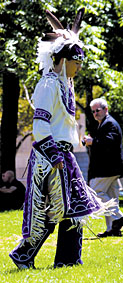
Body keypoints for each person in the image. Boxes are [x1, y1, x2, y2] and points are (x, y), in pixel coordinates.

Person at [9, 9, 115, 270]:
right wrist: (55, 155)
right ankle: (24, 254)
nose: (79, 66)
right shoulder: (47, 84)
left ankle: (68, 260)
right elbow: (40, 125)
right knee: (52, 210)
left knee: (76, 207)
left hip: (64, 155)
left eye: (80, 62)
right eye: (76, 61)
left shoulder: (65, 84)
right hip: (50, 156)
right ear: (62, 57)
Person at [83, 98, 123, 237]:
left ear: (105, 109)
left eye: (97, 110)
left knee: (96, 194)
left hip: (106, 169)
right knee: (112, 198)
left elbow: (110, 143)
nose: (95, 113)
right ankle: (112, 229)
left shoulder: (110, 124)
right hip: (110, 169)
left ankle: (118, 217)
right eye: (93, 111)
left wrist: (93, 142)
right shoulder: (104, 124)